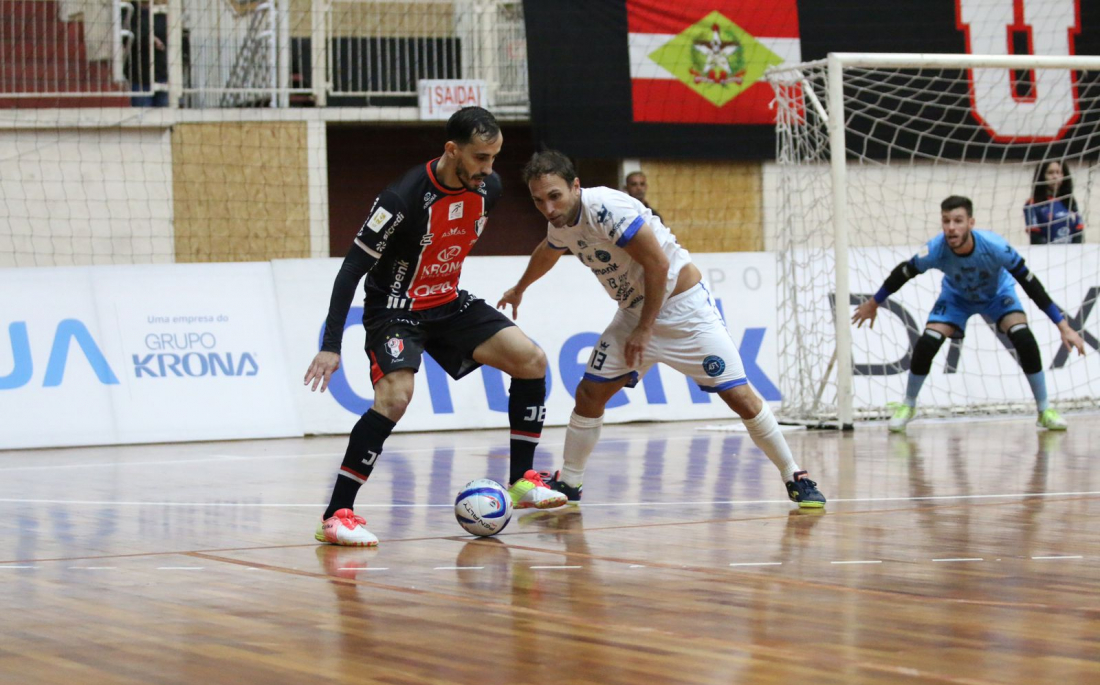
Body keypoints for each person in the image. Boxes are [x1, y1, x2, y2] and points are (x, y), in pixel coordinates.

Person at [498, 150, 826, 509]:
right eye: (538, 200)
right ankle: (571, 483)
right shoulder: (560, 221)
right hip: (635, 311)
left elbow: (657, 264)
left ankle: (794, 475)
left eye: (554, 196)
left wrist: (644, 329)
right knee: (590, 394)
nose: (547, 207)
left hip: (684, 311)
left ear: (575, 186)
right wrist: (520, 287)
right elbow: (550, 248)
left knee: (740, 396)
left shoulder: (608, 209)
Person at [304, 107, 566, 547]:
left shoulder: (490, 189)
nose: (489, 169)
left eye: (495, 157)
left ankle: (522, 480)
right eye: (481, 158)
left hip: (447, 301)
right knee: (394, 398)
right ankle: (336, 516)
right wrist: (330, 345)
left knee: (531, 360)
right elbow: (350, 270)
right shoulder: (401, 198)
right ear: (452, 150)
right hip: (395, 309)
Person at [853, 195, 1086, 432]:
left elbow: (1031, 284)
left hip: (997, 296)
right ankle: (909, 405)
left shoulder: (995, 247)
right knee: (927, 342)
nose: (951, 228)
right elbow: (904, 272)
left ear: (971, 223)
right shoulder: (935, 249)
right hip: (956, 299)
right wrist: (874, 303)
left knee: (1023, 337)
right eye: (946, 221)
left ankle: (1044, 410)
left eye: (958, 221)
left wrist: (1063, 326)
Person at [1024, 160, 1085, 244]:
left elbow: (1079, 231)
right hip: (1045, 253)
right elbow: (1035, 236)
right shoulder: (1033, 203)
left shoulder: (1070, 201)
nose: (1055, 176)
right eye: (1050, 173)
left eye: (1059, 172)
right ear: (1042, 176)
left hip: (1070, 252)